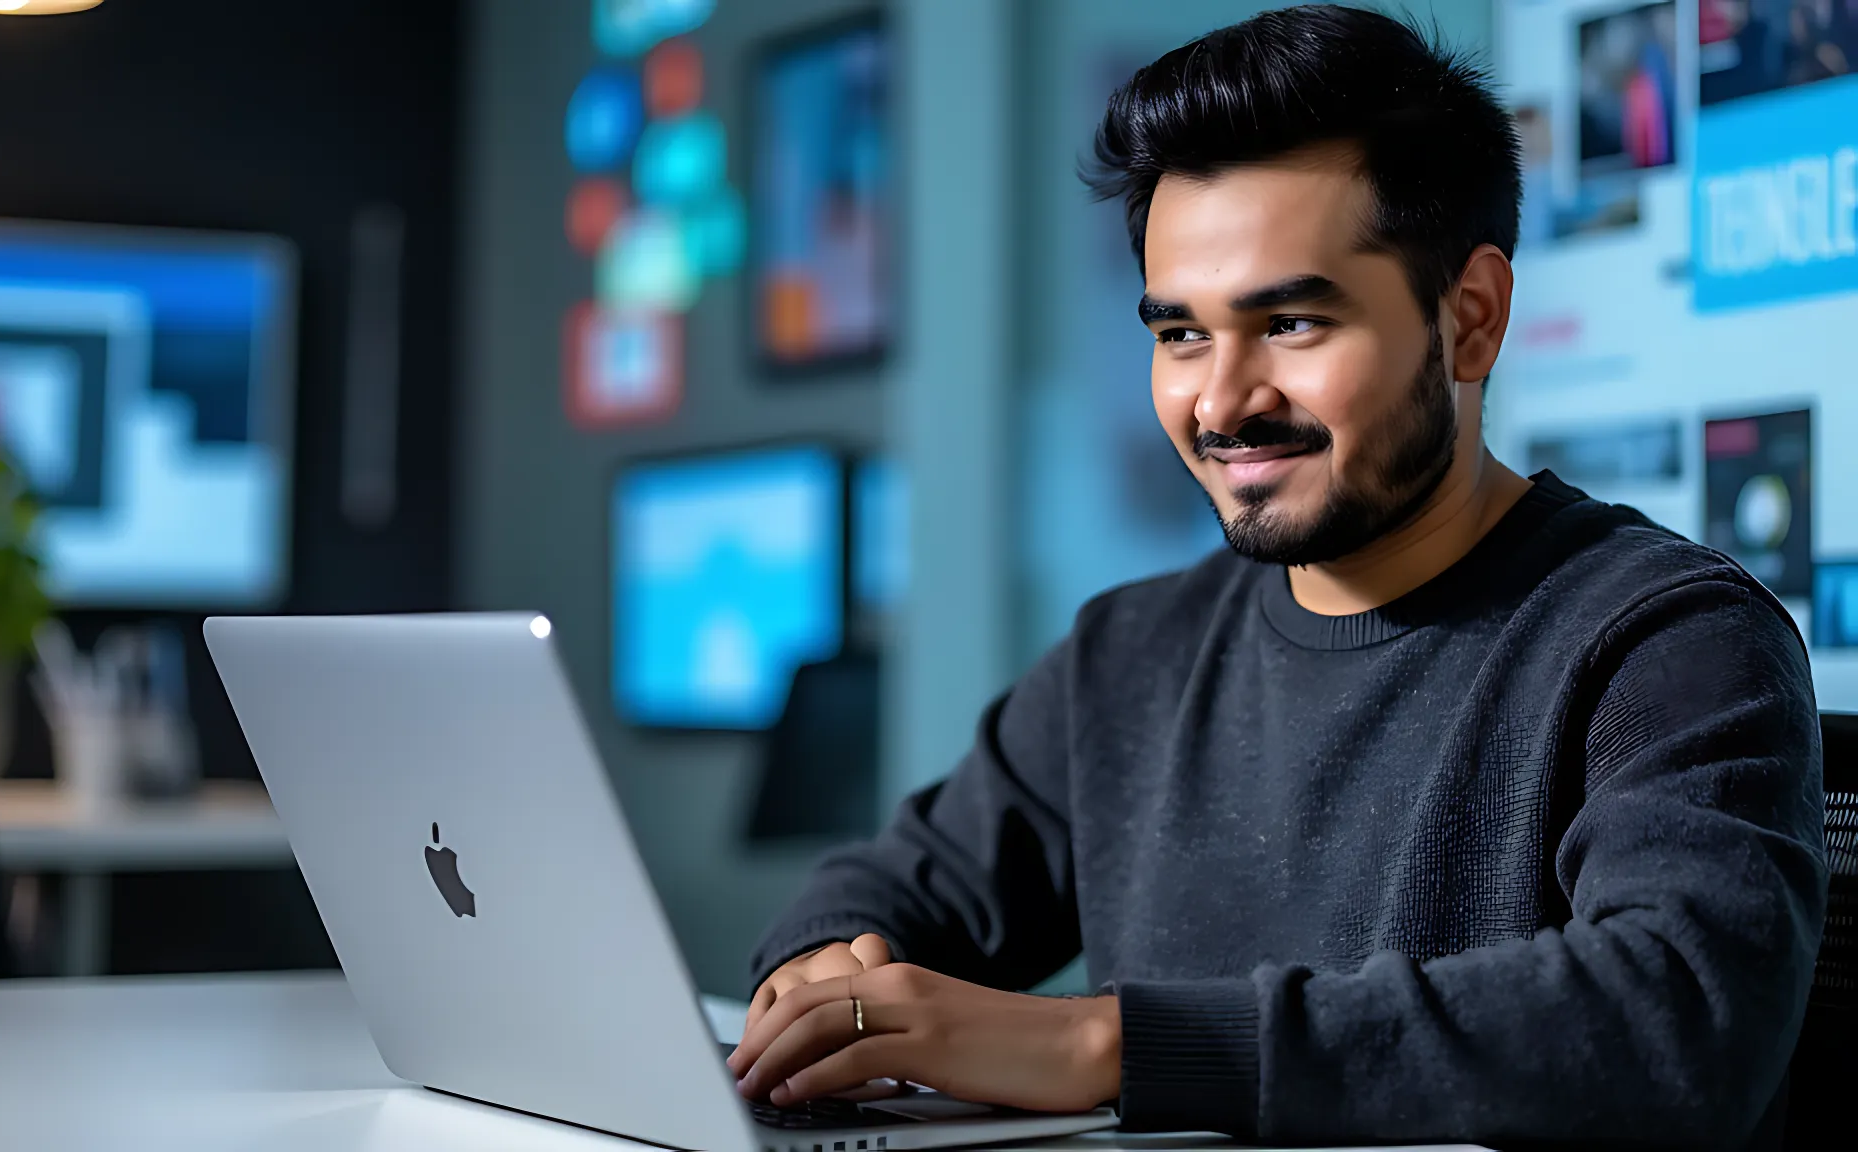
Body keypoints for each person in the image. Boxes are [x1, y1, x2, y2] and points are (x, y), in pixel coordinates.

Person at [725, 6, 1827, 1148]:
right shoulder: (1128, 654)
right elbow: (880, 895)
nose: (1218, 401)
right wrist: (826, 981)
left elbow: (1674, 1023)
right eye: (1180, 334)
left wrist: (1097, 1046)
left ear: (1470, 319)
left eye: (1290, 322)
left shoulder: (1669, 639)